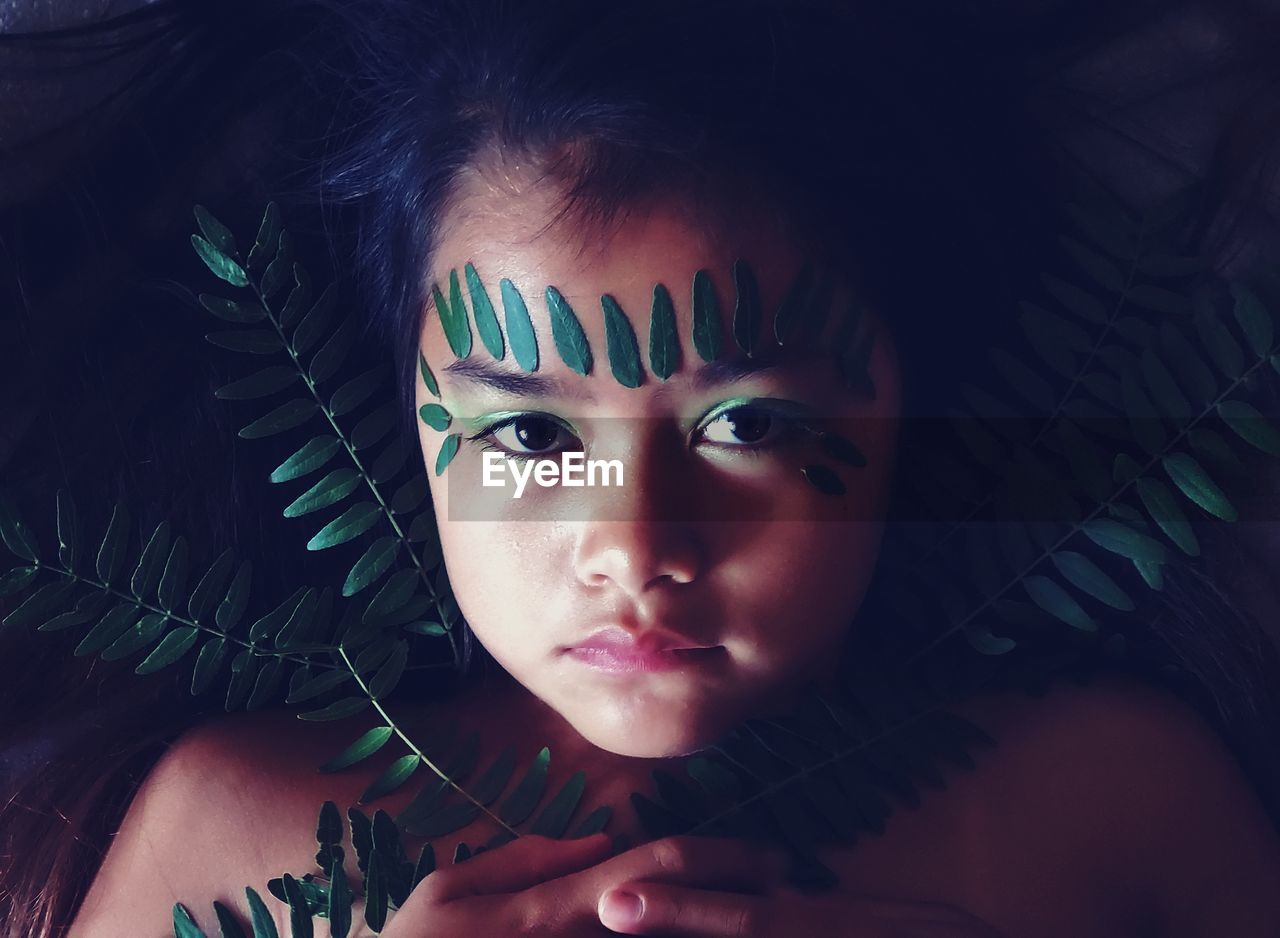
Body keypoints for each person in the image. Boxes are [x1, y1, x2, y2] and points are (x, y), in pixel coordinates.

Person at [4, 0, 1280, 935]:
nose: (632, 544)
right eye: (531, 435)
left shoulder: (1112, 796)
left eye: (749, 425)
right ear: (400, 416)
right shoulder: (234, 825)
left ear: (914, 401)